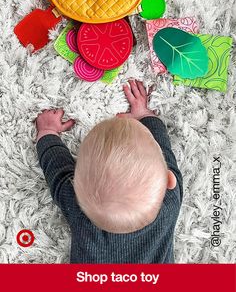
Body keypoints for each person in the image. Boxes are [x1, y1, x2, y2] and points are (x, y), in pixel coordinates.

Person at [36, 79, 183, 263]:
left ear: (75, 189)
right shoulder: (170, 202)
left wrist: (47, 131)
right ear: (169, 179)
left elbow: (57, 171)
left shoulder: (81, 214)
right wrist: (145, 116)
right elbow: (164, 149)